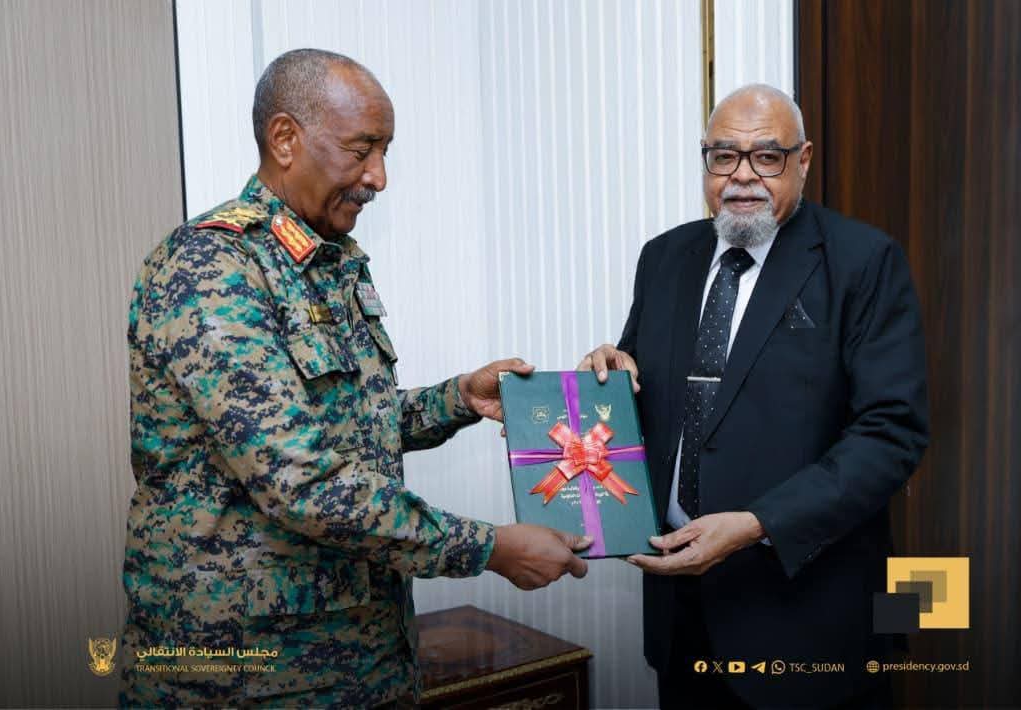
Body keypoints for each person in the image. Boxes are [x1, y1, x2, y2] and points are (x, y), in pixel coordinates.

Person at [118, 48, 590, 708]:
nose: (379, 177)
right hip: (248, 675)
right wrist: (489, 549)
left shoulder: (331, 260)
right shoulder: (212, 269)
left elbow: (350, 426)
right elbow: (301, 481)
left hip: (362, 658)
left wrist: (457, 399)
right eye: (362, 149)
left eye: (385, 151)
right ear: (286, 139)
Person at [579, 84, 929, 709]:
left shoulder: (864, 261)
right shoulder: (664, 257)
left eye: (767, 156)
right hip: (680, 611)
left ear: (803, 160)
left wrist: (757, 525)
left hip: (808, 613)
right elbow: (647, 393)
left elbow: (892, 435)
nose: (742, 176)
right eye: (724, 156)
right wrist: (609, 373)